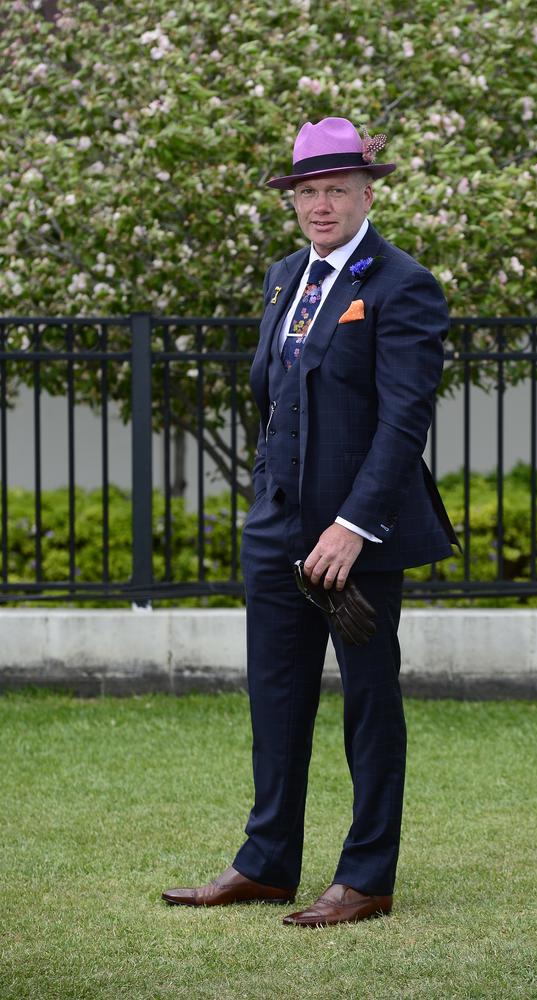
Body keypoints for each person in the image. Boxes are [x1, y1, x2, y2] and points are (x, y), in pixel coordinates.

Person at [162, 117, 458, 927]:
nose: (320, 205)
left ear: (367, 193)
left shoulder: (402, 284)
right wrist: (269, 500)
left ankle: (366, 878)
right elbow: (272, 395)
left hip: (355, 542)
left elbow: (403, 420)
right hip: (277, 530)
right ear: (292, 199)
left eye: (336, 190)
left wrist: (353, 525)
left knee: (369, 704)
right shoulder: (285, 275)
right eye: (307, 191)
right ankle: (265, 865)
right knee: (276, 699)